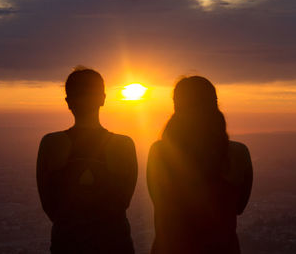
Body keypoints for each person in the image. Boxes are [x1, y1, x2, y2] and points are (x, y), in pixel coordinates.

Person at [147, 76, 253, 254]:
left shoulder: (159, 153)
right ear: (214, 104)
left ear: (176, 106)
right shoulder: (238, 153)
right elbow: (239, 206)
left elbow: (158, 201)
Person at [36, 68, 138, 253]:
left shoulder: (51, 144)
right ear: (102, 98)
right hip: (115, 243)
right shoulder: (124, 145)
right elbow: (124, 200)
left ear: (68, 102)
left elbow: (49, 204)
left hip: (67, 243)